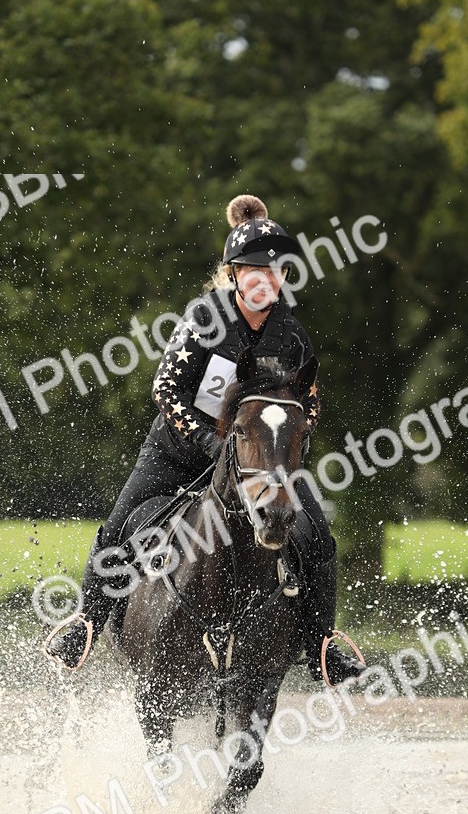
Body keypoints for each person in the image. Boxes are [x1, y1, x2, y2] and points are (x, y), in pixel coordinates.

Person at [45, 194, 366, 685]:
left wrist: (288, 438)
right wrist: (209, 443)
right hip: (177, 451)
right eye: (255, 271)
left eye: (275, 271)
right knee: (117, 530)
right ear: (235, 275)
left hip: (261, 463)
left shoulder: (293, 337)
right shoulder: (205, 320)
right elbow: (165, 388)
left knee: (318, 536)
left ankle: (322, 644)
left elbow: (311, 403)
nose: (266, 279)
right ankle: (86, 624)